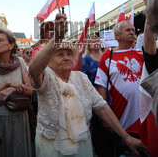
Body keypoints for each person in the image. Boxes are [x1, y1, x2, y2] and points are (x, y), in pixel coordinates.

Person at [29, 13, 144, 157]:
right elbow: (34, 70)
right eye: (60, 54)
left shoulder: (81, 78)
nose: (66, 57)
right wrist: (56, 39)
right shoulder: (47, 76)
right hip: (52, 148)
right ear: (50, 60)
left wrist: (126, 137)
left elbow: (102, 107)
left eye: (69, 54)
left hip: (82, 147)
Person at [95, 0, 158, 156]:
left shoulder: (141, 52)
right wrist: (105, 120)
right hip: (124, 124)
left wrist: (150, 5)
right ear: (117, 35)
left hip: (148, 120)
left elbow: (150, 41)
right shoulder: (107, 57)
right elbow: (102, 90)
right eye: (127, 30)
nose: (132, 32)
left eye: (133, 29)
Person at [0, 28, 33, 157]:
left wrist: (13, 88)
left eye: (0, 41)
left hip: (19, 118)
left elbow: (30, 90)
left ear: (11, 45)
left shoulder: (19, 62)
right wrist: (6, 83)